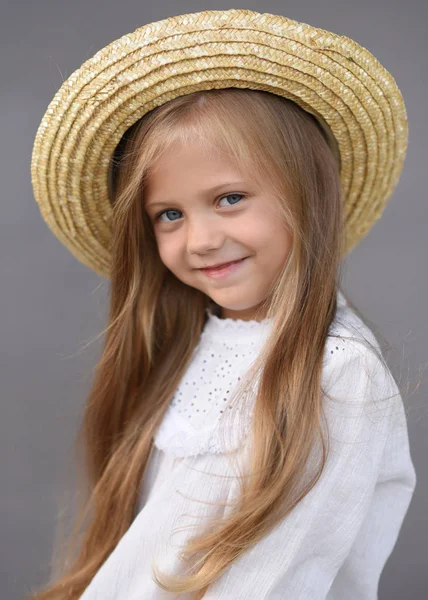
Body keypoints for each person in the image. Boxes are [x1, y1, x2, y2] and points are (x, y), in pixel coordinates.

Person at [29, 8, 417, 600]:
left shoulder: (335, 372)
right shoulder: (201, 340)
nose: (201, 239)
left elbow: (278, 577)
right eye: (170, 215)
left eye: (230, 198)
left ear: (307, 194)